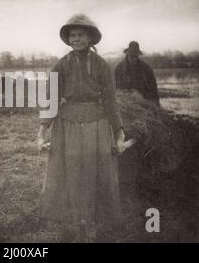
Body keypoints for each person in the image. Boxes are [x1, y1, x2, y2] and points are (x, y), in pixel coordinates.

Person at [37, 14, 125, 242]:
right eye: (73, 35)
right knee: (72, 173)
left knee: (97, 174)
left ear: (90, 38)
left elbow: (110, 101)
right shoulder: (61, 65)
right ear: (68, 39)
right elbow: (51, 100)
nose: (76, 39)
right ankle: (77, 225)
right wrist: (42, 131)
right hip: (68, 126)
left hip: (97, 124)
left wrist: (119, 132)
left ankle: (94, 224)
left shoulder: (102, 66)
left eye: (81, 35)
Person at [114, 41, 160, 106]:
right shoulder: (119, 69)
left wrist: (156, 104)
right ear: (127, 54)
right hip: (126, 102)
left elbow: (153, 87)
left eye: (136, 56)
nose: (135, 59)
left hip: (144, 100)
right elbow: (117, 88)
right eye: (132, 56)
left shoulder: (146, 68)